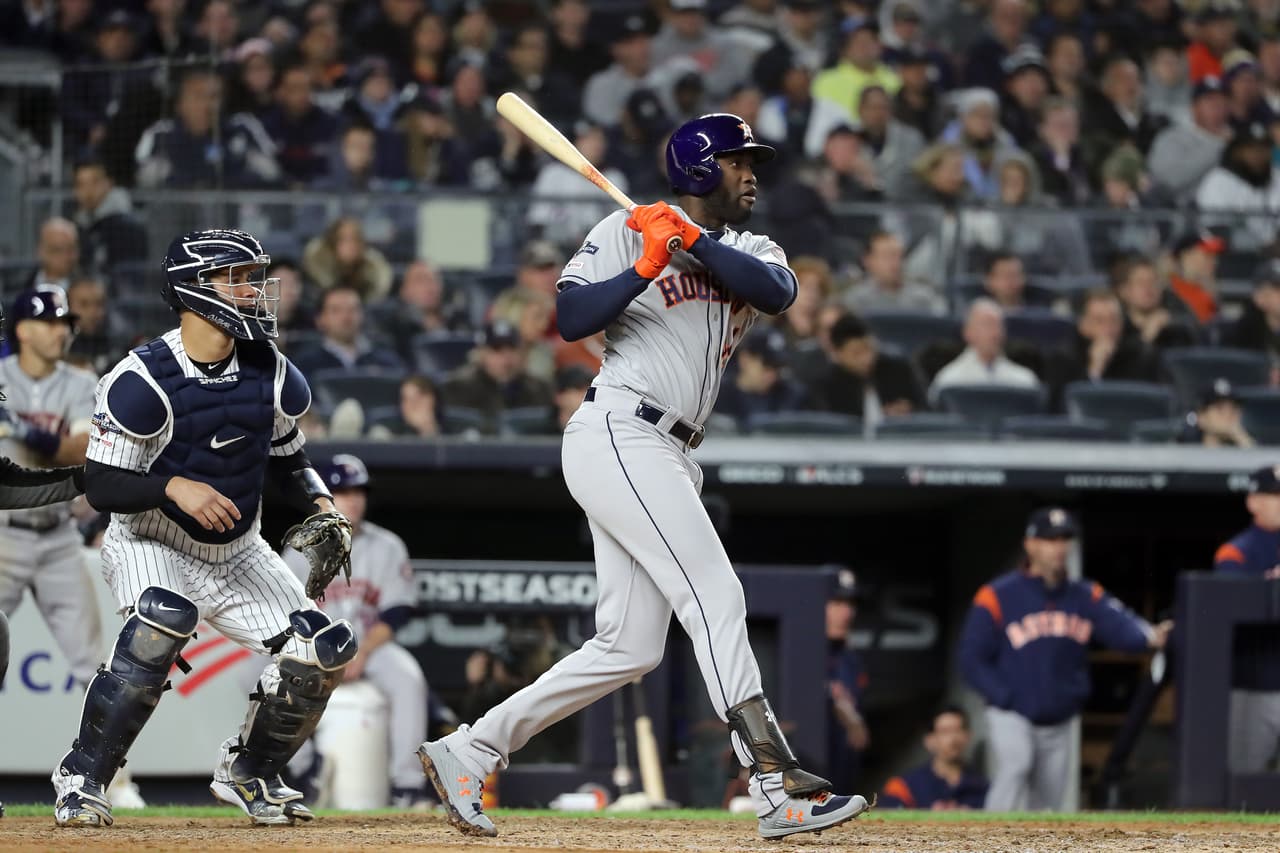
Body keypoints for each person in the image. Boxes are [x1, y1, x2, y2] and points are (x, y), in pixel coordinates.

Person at [417, 113, 871, 840]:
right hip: (622, 429)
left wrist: (687, 240)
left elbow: (777, 291)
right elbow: (569, 318)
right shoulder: (623, 231)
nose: (751, 173)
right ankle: (773, 781)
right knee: (717, 592)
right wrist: (646, 262)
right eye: (736, 161)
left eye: (752, 161)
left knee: (629, 647)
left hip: (670, 450)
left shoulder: (749, 243)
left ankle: (469, 749)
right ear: (698, 169)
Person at [50, 228, 357, 827]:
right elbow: (103, 485)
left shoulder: (270, 369)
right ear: (194, 290)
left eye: (252, 279)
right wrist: (172, 486)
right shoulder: (140, 380)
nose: (253, 291)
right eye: (236, 279)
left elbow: (290, 456)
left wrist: (322, 504)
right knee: (162, 621)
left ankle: (251, 772)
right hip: (149, 539)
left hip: (239, 551)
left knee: (323, 649)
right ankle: (83, 777)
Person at [958, 507, 1171, 812]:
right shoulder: (997, 595)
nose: (1058, 547)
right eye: (1050, 539)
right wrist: (1004, 696)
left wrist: (1152, 636)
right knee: (1016, 766)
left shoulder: (1084, 595)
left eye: (1064, 539)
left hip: (1059, 716)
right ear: (1030, 545)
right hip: (1012, 712)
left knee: (1050, 804)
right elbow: (971, 658)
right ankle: (988, 840)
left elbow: (1123, 628)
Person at [284, 454, 429, 808]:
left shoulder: (387, 546)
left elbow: (396, 613)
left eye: (359, 491)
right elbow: (288, 615)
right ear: (325, 498)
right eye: (343, 491)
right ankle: (304, 769)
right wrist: (325, 658)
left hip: (371, 647)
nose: (353, 499)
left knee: (408, 678)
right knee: (250, 674)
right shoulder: (299, 549)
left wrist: (361, 654)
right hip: (312, 647)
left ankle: (407, 786)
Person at [0, 295, 95, 821]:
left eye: (64, 323)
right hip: (3, 534)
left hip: (59, 536)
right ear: (24, 330)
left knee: (97, 667)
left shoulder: (81, 382)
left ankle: (107, 778)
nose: (61, 331)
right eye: (50, 322)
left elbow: (76, 450)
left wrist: (18, 429)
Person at [1213, 464, 1280, 773]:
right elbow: (1232, 611)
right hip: (1254, 684)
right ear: (1253, 501)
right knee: (1243, 783)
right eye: (1275, 495)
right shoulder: (1236, 552)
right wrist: (1270, 586)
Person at [810, 313, 925, 424]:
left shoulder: (900, 372)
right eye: (857, 353)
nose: (867, 359)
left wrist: (910, 411)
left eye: (869, 349)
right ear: (838, 354)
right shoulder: (826, 387)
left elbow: (926, 410)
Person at [440, 321, 553, 429]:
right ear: (482, 353)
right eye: (497, 349)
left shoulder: (540, 389)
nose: (506, 357)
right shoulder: (457, 388)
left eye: (512, 348)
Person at [929, 300, 1040, 405]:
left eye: (998, 326)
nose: (995, 333)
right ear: (968, 332)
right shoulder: (949, 380)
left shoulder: (1025, 380)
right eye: (987, 325)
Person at [879, 706, 989, 810]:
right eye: (945, 732)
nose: (953, 739)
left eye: (958, 730)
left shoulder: (982, 787)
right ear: (929, 740)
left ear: (968, 736)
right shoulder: (904, 787)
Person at [290, 285, 405, 383]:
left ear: (362, 315)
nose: (346, 317)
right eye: (336, 310)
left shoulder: (387, 361)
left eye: (353, 309)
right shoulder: (305, 364)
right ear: (320, 319)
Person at [826, 566, 869, 795]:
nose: (847, 613)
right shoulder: (796, 652)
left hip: (843, 776)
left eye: (850, 604)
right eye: (837, 603)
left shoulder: (851, 659)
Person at [712, 326, 807, 425]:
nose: (772, 375)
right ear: (744, 359)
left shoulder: (790, 396)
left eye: (777, 367)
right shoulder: (717, 395)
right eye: (766, 365)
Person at [70, 159, 148, 280]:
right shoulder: (77, 225)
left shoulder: (127, 227)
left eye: (94, 182)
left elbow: (130, 275)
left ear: (109, 183)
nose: (87, 191)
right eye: (80, 184)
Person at [842, 231, 944, 316]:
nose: (895, 263)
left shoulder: (925, 298)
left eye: (899, 256)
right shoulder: (854, 301)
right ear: (868, 260)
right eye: (887, 256)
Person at [1180, 379, 1256, 448]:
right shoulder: (1184, 450)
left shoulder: (1245, 446)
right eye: (1219, 408)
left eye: (1234, 408)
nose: (1228, 414)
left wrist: (1243, 439)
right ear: (1201, 417)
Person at [26, 218, 80, 291]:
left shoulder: (87, 291)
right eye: (57, 250)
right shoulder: (21, 286)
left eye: (70, 249)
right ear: (41, 251)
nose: (65, 256)